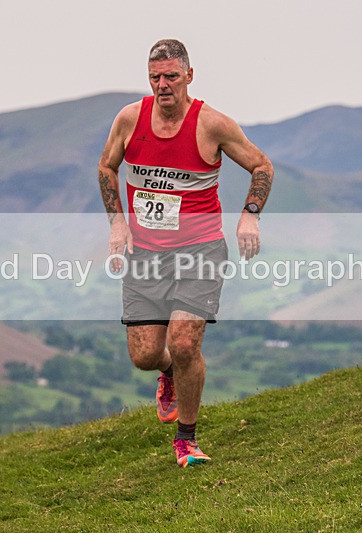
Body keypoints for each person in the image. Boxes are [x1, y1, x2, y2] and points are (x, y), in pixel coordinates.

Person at [97, 39, 273, 468]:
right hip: (145, 254)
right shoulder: (130, 119)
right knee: (144, 355)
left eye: (171, 76)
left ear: (189, 76)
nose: (163, 85)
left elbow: (262, 166)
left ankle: (186, 440)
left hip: (200, 251)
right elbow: (106, 166)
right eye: (155, 77)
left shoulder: (212, 124)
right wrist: (117, 222)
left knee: (184, 342)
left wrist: (249, 216)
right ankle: (169, 374)